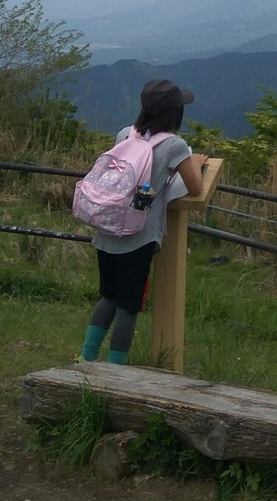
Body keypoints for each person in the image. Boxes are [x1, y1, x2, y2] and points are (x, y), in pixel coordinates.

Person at [78, 78, 208, 365]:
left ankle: (85, 359)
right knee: (129, 305)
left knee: (109, 297)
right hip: (138, 238)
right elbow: (195, 187)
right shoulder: (175, 146)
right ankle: (115, 368)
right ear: (175, 114)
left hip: (107, 230)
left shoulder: (126, 134)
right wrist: (196, 162)